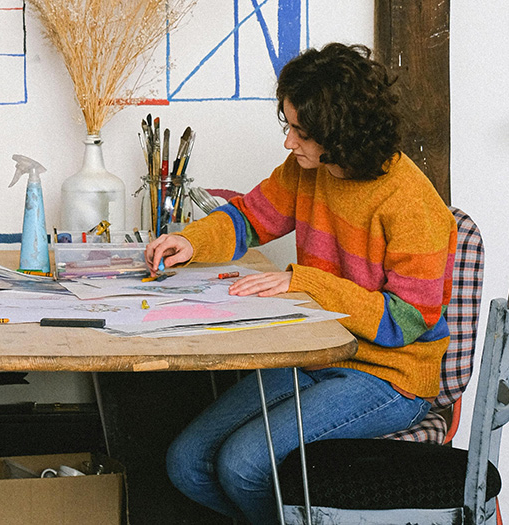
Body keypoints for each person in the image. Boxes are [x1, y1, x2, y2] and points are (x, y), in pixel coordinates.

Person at [146, 43, 457, 523]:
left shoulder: (413, 204)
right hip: (314, 354)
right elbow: (250, 217)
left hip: (391, 379)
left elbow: (408, 321)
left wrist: (305, 284)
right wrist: (190, 242)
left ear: (343, 134)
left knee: (242, 465)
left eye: (301, 132)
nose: (289, 142)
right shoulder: (308, 170)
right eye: (287, 125)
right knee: (186, 464)